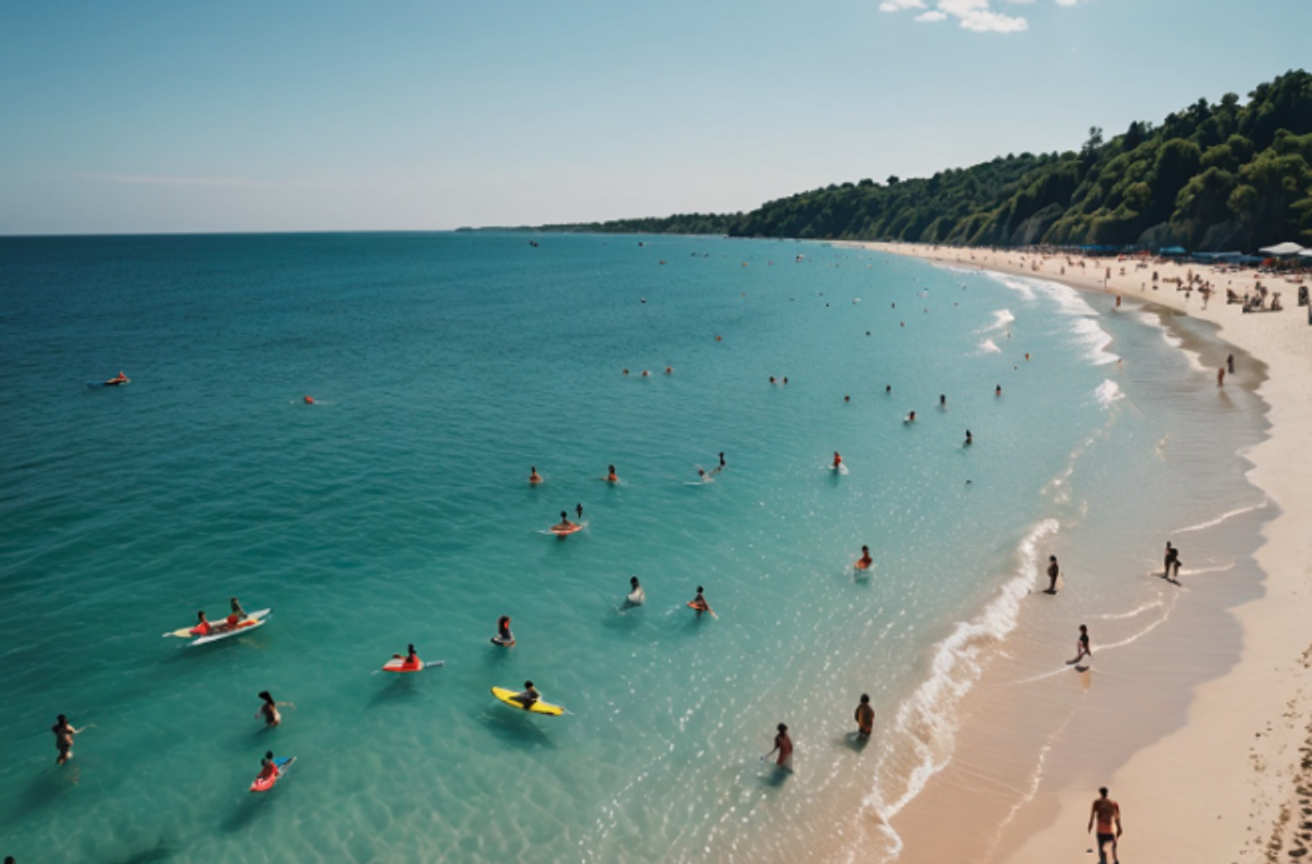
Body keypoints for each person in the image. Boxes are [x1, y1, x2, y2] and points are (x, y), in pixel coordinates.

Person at [1088, 787, 1122, 864]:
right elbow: (1117, 817)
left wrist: (1090, 825)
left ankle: (1104, 861)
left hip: (1100, 830)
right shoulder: (1113, 803)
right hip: (1110, 830)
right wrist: (1119, 827)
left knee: (1102, 853)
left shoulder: (1096, 803)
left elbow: (1092, 816)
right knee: (1112, 851)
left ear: (1100, 793)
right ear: (1107, 793)